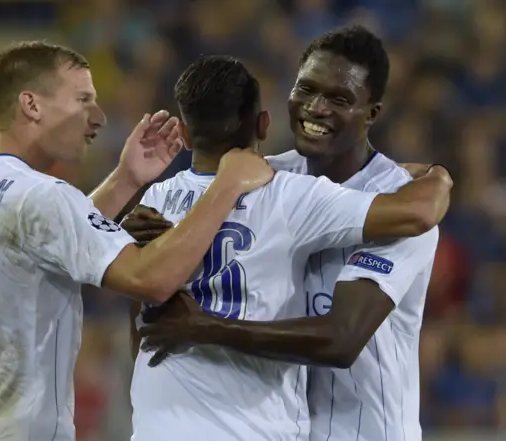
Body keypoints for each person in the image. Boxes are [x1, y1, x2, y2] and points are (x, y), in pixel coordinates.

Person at [0, 41, 274, 441]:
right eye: (82, 100)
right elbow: (153, 278)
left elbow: (41, 237)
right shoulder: (42, 196)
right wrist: (226, 185)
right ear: (32, 105)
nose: (97, 117)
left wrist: (125, 180)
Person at [135, 26, 443, 441]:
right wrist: (134, 227)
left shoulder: (400, 206)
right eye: (306, 89)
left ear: (372, 113)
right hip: (281, 430)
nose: (316, 108)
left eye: (339, 99)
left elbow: (341, 340)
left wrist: (205, 326)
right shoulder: (262, 176)